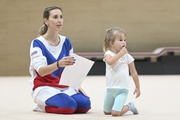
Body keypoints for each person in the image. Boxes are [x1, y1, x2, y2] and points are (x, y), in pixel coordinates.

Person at [29, 5, 91, 114]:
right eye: (55, 17)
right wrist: (58, 64)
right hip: (44, 87)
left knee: (85, 104)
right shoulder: (37, 43)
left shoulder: (66, 41)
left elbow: (71, 69)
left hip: (63, 86)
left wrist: (77, 86)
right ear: (46, 21)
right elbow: (41, 71)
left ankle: (61, 100)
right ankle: (42, 107)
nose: (59, 20)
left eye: (61, 17)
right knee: (69, 106)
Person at [103, 27, 141, 116]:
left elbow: (134, 72)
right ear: (112, 43)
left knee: (115, 113)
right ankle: (118, 106)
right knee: (106, 112)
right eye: (120, 40)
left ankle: (129, 106)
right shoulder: (108, 54)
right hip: (110, 89)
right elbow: (110, 61)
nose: (124, 42)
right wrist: (121, 54)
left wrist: (137, 87)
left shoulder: (127, 57)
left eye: (125, 40)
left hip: (122, 89)